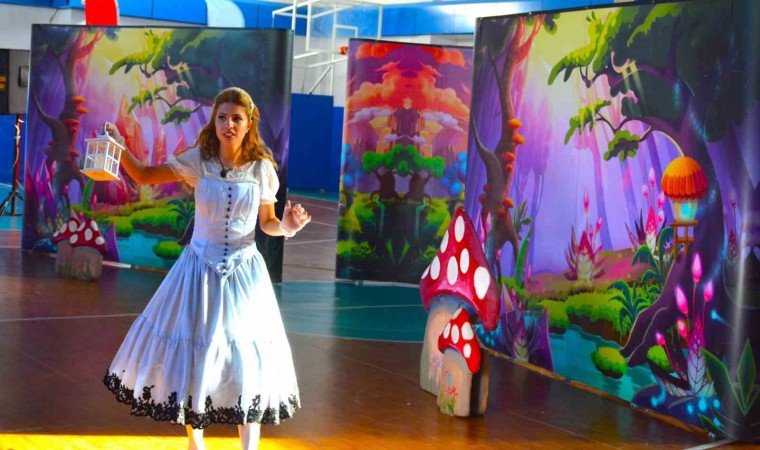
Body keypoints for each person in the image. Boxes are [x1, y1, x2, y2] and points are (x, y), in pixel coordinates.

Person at [102, 87, 310, 450]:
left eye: (236, 119)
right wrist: (119, 147)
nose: (229, 125)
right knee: (196, 351)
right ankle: (195, 443)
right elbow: (145, 175)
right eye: (222, 117)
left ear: (249, 124)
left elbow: (268, 223)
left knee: (246, 360)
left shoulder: (261, 169)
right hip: (198, 269)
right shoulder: (199, 160)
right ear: (214, 121)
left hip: (245, 274)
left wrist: (288, 226)